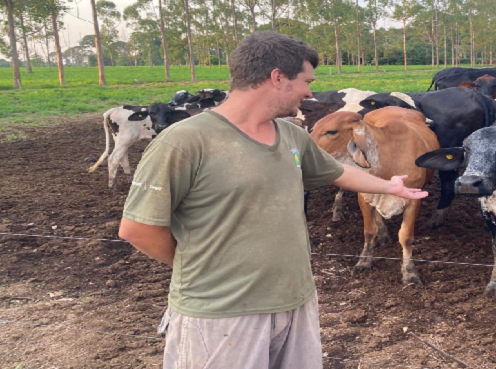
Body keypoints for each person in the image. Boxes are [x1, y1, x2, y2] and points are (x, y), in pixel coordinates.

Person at [118, 31, 428, 369]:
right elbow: (138, 229)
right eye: (306, 81)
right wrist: (202, 270)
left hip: (295, 301)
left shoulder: (291, 134)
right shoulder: (184, 142)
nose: (311, 91)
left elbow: (336, 172)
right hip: (221, 312)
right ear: (277, 78)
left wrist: (389, 186)